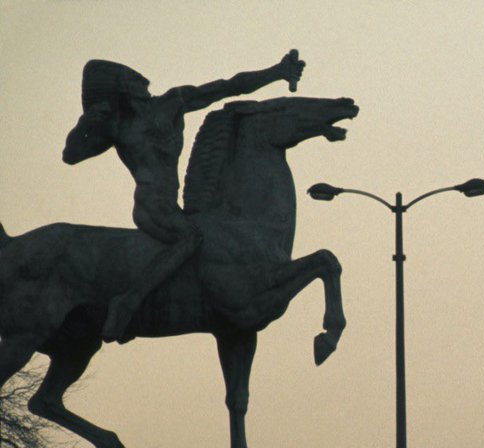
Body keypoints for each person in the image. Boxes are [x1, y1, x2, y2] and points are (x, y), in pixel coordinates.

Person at [62, 51, 304, 343]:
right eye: (130, 79)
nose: (140, 82)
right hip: (151, 205)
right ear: (120, 88)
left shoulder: (172, 104)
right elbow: (71, 155)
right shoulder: (118, 125)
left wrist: (276, 72)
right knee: (191, 238)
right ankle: (127, 302)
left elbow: (228, 86)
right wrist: (87, 123)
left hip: (174, 205)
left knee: (205, 235)